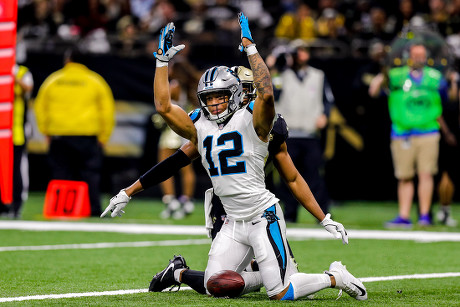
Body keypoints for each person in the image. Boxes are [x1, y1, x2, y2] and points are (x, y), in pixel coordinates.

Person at [103, 15, 367, 301]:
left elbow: (271, 112)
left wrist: (251, 48)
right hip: (230, 221)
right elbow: (165, 108)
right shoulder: (200, 127)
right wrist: (161, 62)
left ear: (237, 93)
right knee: (215, 285)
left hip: (262, 216)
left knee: (280, 293)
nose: (214, 103)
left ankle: (334, 276)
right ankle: (251, 274)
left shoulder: (255, 121)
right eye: (209, 98)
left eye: (220, 96)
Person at [369, 43, 445, 227]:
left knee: (426, 174)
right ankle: (404, 216)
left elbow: (449, 95)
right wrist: (383, 72)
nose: (418, 58)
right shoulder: (396, 75)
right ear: (407, 56)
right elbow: (373, 91)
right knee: (404, 176)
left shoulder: (434, 76)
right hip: (402, 132)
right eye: (414, 54)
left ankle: (424, 215)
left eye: (421, 55)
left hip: (428, 130)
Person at [34, 46, 115, 217]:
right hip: (87, 134)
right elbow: (107, 110)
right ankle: (94, 211)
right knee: (90, 174)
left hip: (59, 134)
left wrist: (46, 131)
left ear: (67, 60)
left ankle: (61, 209)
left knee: (61, 173)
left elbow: (40, 107)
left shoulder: (53, 80)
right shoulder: (95, 80)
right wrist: (104, 135)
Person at [269, 44, 334, 222]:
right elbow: (272, 95)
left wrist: (325, 115)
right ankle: (290, 214)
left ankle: (322, 213)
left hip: (310, 133)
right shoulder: (281, 75)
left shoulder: (318, 75)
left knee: (314, 175)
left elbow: (328, 99)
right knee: (286, 177)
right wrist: (274, 68)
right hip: (288, 134)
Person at [0, 64, 34, 218]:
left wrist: (12, 78)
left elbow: (28, 89)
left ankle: (15, 205)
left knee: (15, 170)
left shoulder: (22, 72)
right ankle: (3, 206)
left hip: (15, 132)